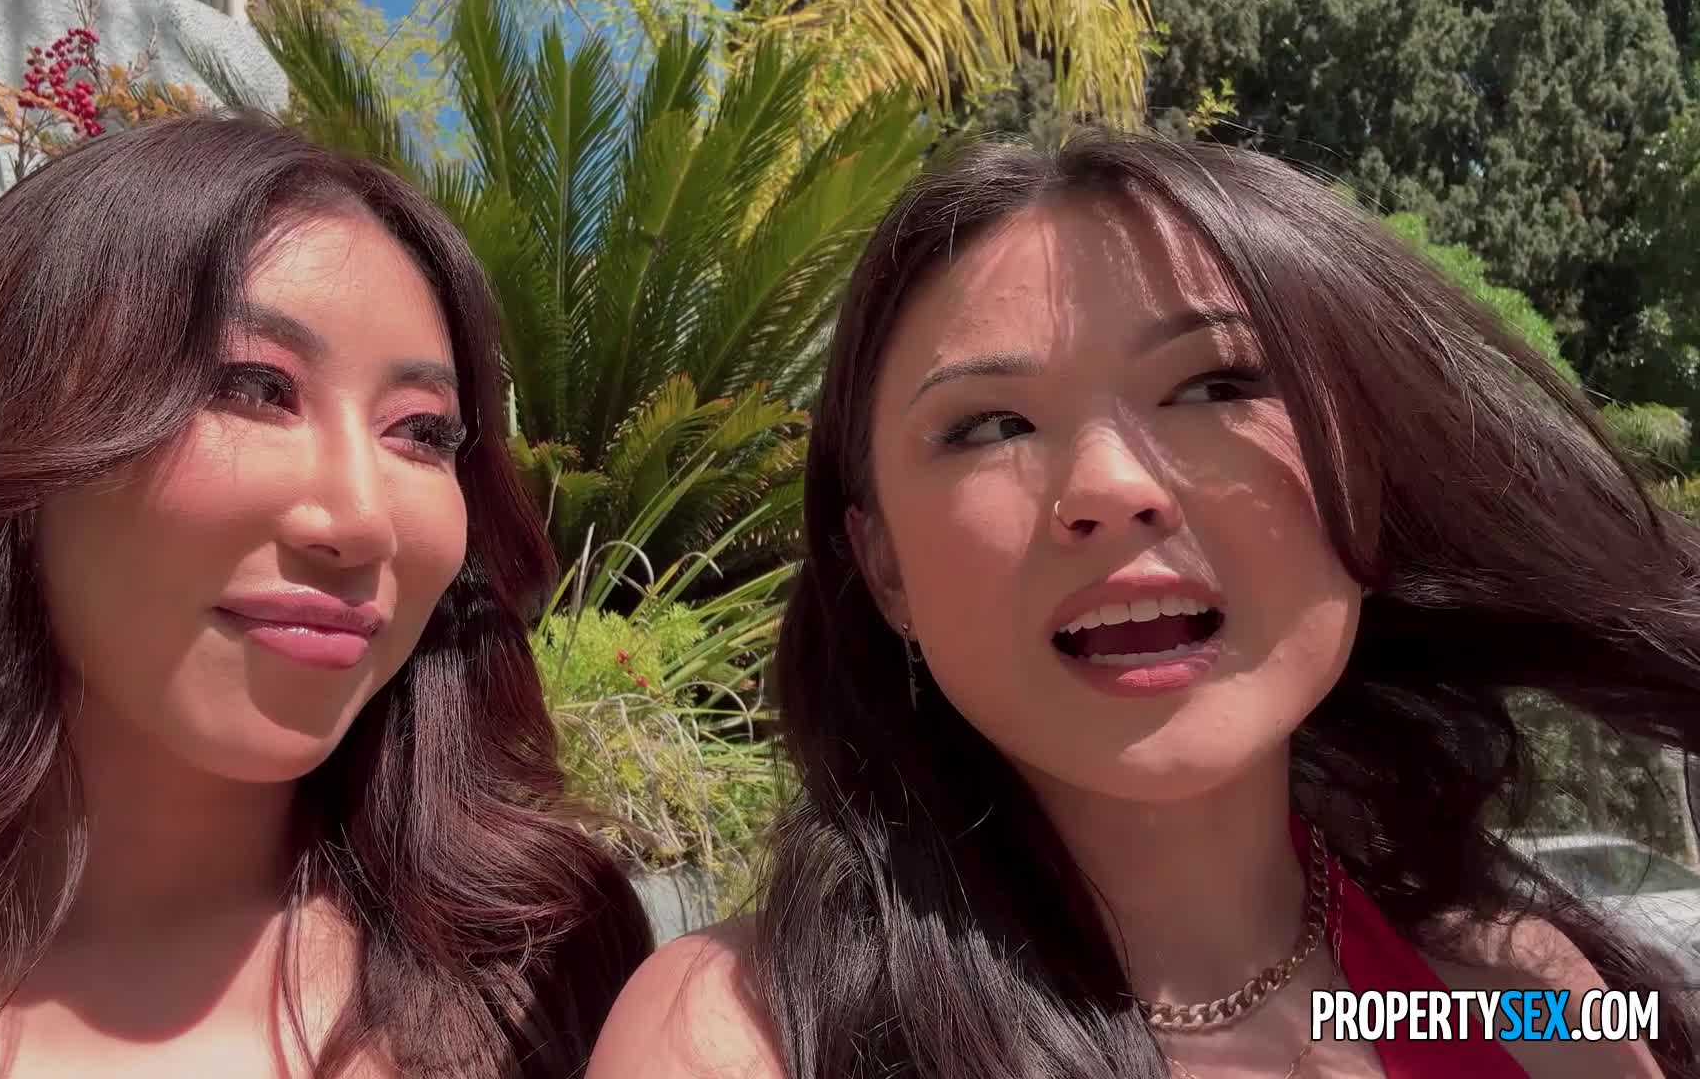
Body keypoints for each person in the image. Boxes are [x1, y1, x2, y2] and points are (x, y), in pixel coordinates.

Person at [589, 132, 1700, 1078]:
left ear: (1364, 486)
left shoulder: (1525, 1003)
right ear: (884, 570)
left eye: (1216, 385)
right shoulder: (738, 1036)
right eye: (990, 425)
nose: (1111, 488)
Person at [0, 112, 651, 1078]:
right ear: (7, 428)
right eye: (253, 386)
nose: (364, 520)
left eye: (421, 433)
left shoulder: (554, 974)